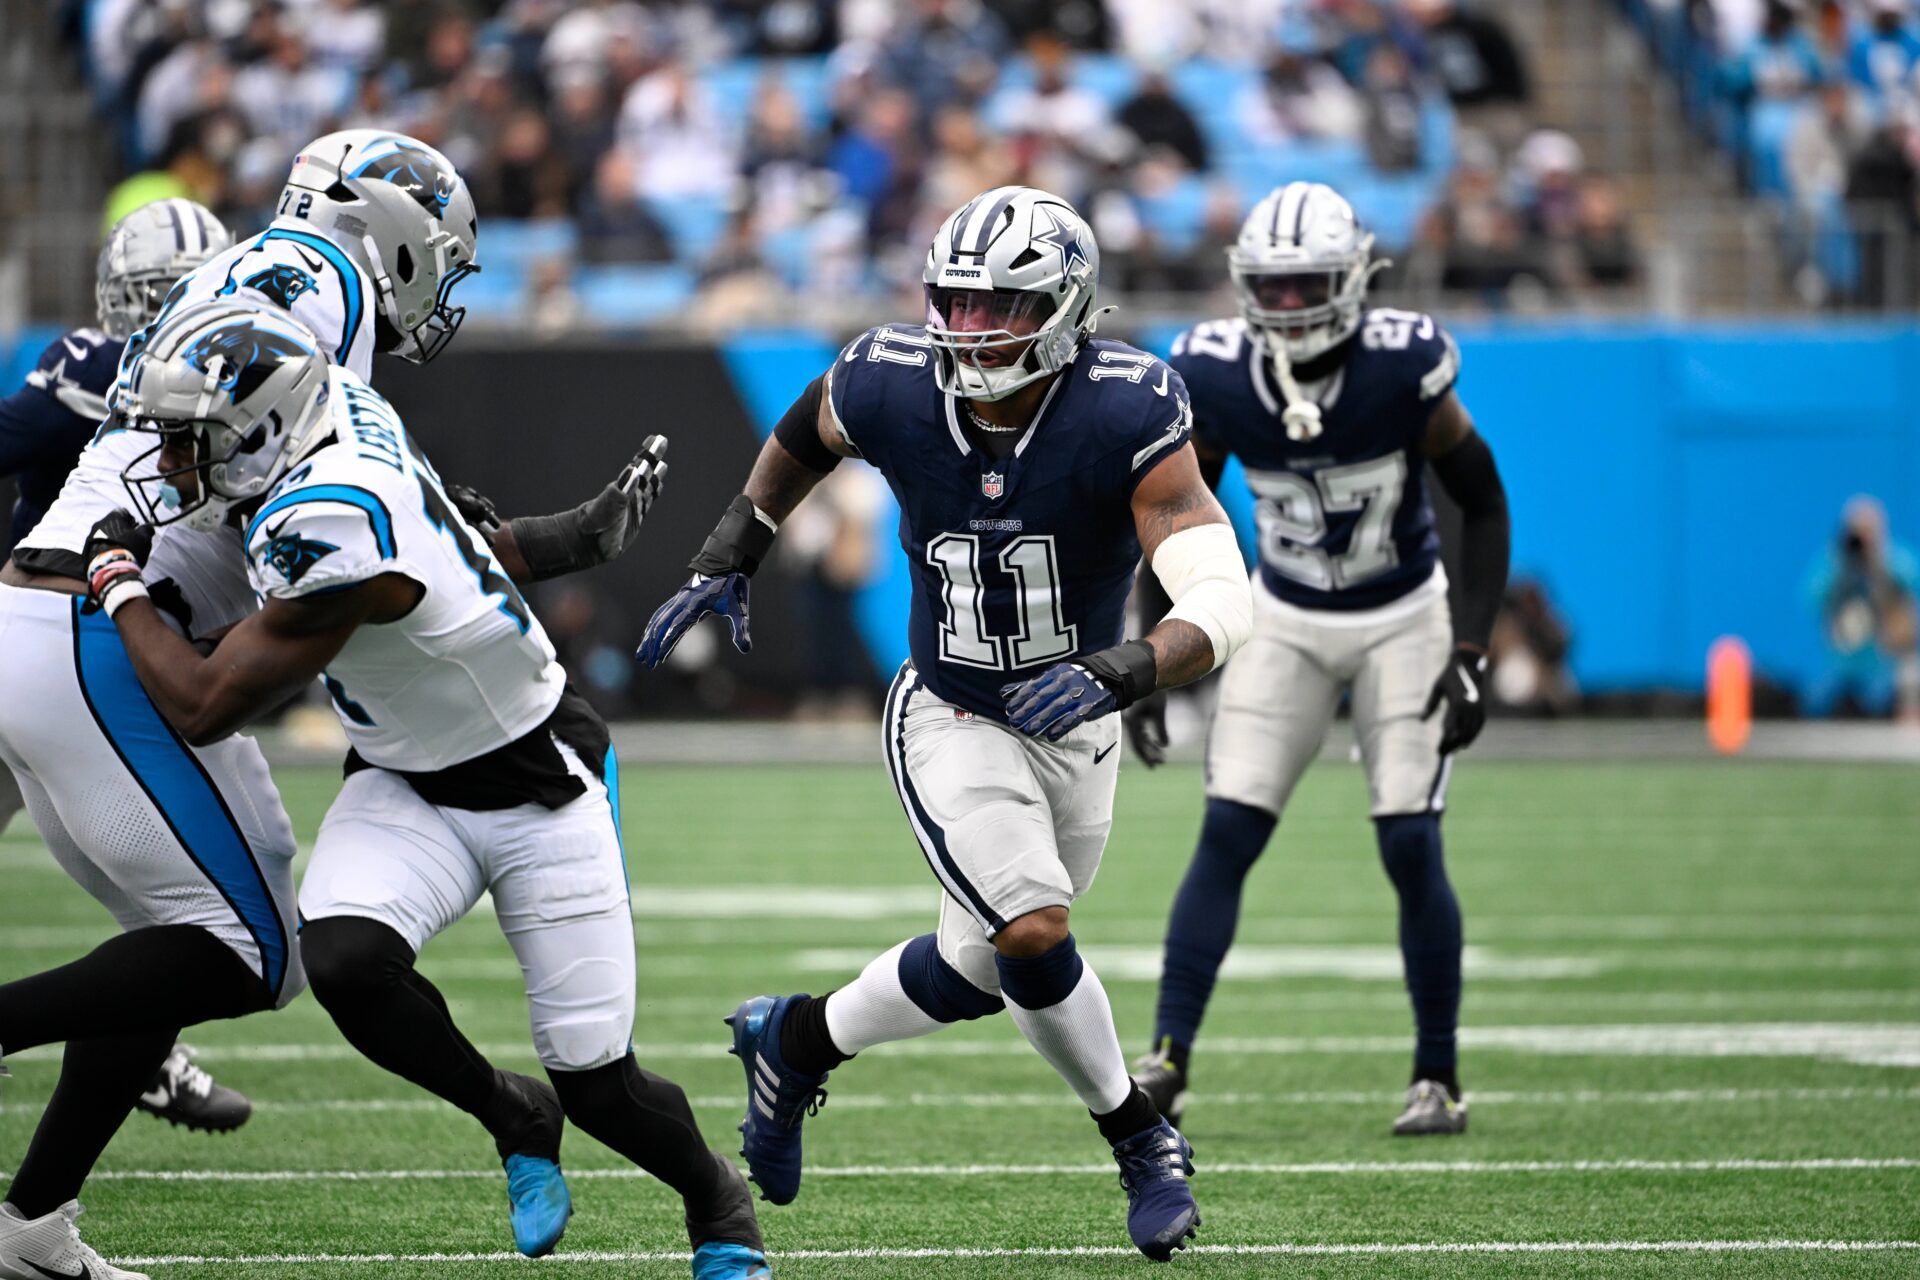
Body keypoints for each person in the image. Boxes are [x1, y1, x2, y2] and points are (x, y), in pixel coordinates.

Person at [0, 130, 635, 1274]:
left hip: (66, 617)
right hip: (101, 621)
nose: (438, 284)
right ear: (388, 238)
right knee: (249, 949)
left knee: (196, 930)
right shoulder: (326, 291)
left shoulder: (266, 274)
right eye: (434, 255)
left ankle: (33, 1221)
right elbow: (293, 527)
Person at [81, 302, 771, 1280]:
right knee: (346, 955)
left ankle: (715, 1197)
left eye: (190, 441)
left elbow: (204, 702)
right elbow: (462, 536)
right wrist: (573, 534)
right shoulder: (344, 417)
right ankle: (509, 1112)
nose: (171, 462)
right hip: (405, 771)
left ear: (261, 434)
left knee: (598, 1080)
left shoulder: (325, 521)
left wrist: (116, 578)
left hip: (538, 775)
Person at [636, 185, 1253, 1260]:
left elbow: (1217, 592)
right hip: (951, 708)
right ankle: (1140, 1133)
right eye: (955, 303)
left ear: (1063, 308)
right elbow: (804, 429)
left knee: (982, 966)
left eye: (998, 307)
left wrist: (1127, 667)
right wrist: (735, 544)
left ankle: (794, 1036)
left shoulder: (1127, 405)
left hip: (1080, 712)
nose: (968, 330)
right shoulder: (890, 377)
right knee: (1034, 929)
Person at [1125, 181, 1512, 1138]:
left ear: (1350, 279)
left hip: (1402, 615)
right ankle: (1168, 1057)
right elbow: (1172, 513)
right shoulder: (1212, 373)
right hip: (1286, 617)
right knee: (1229, 831)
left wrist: (1469, 647)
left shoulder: (1402, 365)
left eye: (1308, 285)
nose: (1289, 305)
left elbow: (1484, 498)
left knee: (1410, 840)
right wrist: (1146, 651)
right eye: (1274, 286)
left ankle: (1437, 1076)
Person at [0, 198, 259, 1137]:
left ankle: (144, 1047)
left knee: (182, 900)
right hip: (58, 637)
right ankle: (144, 1046)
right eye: (154, 296)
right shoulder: (100, 366)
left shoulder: (234, 366)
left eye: (181, 294)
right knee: (219, 916)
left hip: (106, 650)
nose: (167, 313)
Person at [1804, 494, 1920, 721]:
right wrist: (1840, 564)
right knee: (1816, 704)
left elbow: (1912, 582)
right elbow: (1811, 597)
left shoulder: (1896, 559)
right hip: (1844, 668)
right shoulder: (1835, 563)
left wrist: (1879, 562)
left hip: (1887, 668)